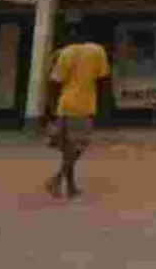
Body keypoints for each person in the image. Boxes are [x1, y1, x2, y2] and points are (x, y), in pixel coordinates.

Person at [43, 24, 110, 199]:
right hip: (84, 106)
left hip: (64, 105)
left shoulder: (64, 53)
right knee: (78, 147)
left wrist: (50, 110)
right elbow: (103, 80)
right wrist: (105, 105)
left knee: (68, 149)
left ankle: (71, 187)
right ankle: (56, 179)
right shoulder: (97, 51)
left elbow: (54, 83)